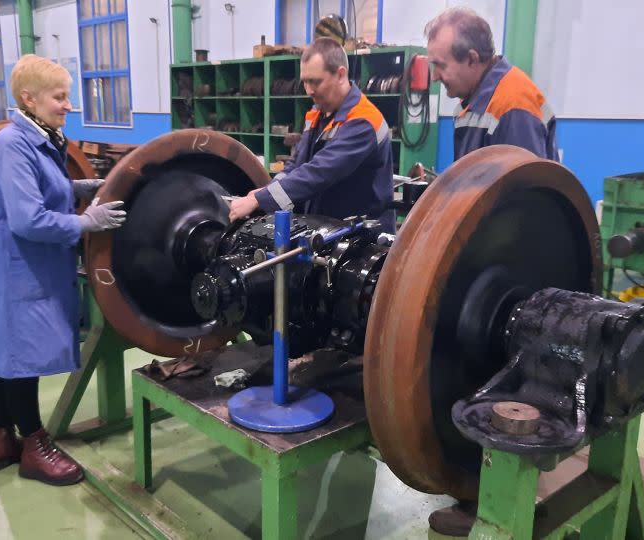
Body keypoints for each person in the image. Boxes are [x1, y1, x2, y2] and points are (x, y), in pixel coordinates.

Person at [422, 7, 560, 535]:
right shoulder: (477, 97)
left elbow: (519, 202)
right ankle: (486, 487)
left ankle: (497, 500)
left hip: (511, 269)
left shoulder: (512, 103)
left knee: (502, 372)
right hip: (488, 255)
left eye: (441, 66)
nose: (437, 77)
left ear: (473, 57)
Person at [0, 54, 127, 486]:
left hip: (21, 259)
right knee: (21, 355)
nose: (68, 105)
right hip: (14, 260)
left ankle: (0, 440)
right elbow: (28, 218)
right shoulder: (12, 145)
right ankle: (34, 447)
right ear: (29, 98)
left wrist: (83, 188)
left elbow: (41, 189)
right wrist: (85, 222)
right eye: (60, 97)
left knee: (7, 352)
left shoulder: (40, 138)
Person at [228, 37, 395, 232]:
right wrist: (268, 192)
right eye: (305, 82)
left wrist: (261, 199)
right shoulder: (318, 113)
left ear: (341, 75)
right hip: (326, 230)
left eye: (315, 82)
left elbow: (319, 172)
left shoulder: (364, 121)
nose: (308, 90)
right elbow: (296, 165)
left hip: (364, 240)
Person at [427, 7, 558, 163]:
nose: (434, 76)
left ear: (471, 59)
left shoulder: (513, 107)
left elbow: (525, 185)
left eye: (440, 65)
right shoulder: (473, 102)